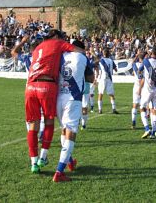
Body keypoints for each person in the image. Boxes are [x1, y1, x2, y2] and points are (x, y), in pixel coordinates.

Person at [25, 29, 84, 174]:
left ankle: (33, 162)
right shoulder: (58, 43)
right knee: (49, 121)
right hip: (47, 85)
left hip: (30, 86)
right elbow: (77, 51)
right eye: (62, 37)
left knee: (33, 125)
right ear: (57, 37)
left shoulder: (38, 48)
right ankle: (43, 157)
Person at [53, 40, 94, 182]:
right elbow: (91, 78)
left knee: (64, 131)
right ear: (81, 48)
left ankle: (70, 161)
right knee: (71, 135)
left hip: (59, 98)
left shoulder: (61, 56)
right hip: (73, 99)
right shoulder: (83, 57)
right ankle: (59, 172)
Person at [11, 35, 46, 142]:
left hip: (30, 87)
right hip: (43, 87)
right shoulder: (45, 58)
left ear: (31, 50)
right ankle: (40, 135)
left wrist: (22, 42)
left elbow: (13, 52)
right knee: (43, 114)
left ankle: (32, 134)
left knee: (30, 113)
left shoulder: (27, 58)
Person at [138, 45, 156, 139]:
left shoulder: (146, 61)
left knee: (142, 108)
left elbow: (139, 70)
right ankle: (153, 133)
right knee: (155, 110)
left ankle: (146, 128)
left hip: (147, 89)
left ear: (151, 52)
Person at [97, 49, 119, 114]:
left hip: (102, 78)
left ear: (103, 54)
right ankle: (114, 109)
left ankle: (100, 110)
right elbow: (116, 70)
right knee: (111, 94)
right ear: (109, 54)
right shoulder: (111, 61)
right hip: (109, 78)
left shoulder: (101, 60)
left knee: (100, 93)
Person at [80, 50, 95, 129]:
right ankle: (83, 124)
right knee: (84, 105)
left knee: (77, 105)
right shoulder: (87, 63)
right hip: (85, 85)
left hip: (78, 86)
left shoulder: (76, 62)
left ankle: (80, 123)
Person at [131, 53, 144, 129]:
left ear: (139, 58)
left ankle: (133, 122)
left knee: (135, 105)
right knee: (143, 106)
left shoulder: (135, 65)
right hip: (144, 87)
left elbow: (132, 63)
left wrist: (136, 56)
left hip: (136, 86)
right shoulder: (146, 65)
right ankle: (143, 121)